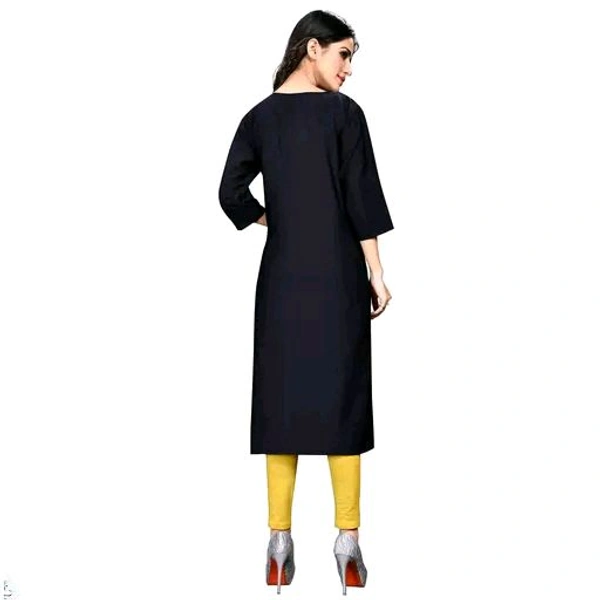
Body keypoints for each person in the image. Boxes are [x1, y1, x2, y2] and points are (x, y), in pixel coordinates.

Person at [218, 9, 394, 595]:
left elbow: (229, 191)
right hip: (338, 277)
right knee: (344, 403)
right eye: (344, 55)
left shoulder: (259, 118)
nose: (349, 70)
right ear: (312, 48)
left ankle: (278, 543)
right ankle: (348, 542)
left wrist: (271, 218)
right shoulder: (344, 117)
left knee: (282, 406)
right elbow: (362, 196)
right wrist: (376, 271)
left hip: (282, 281)